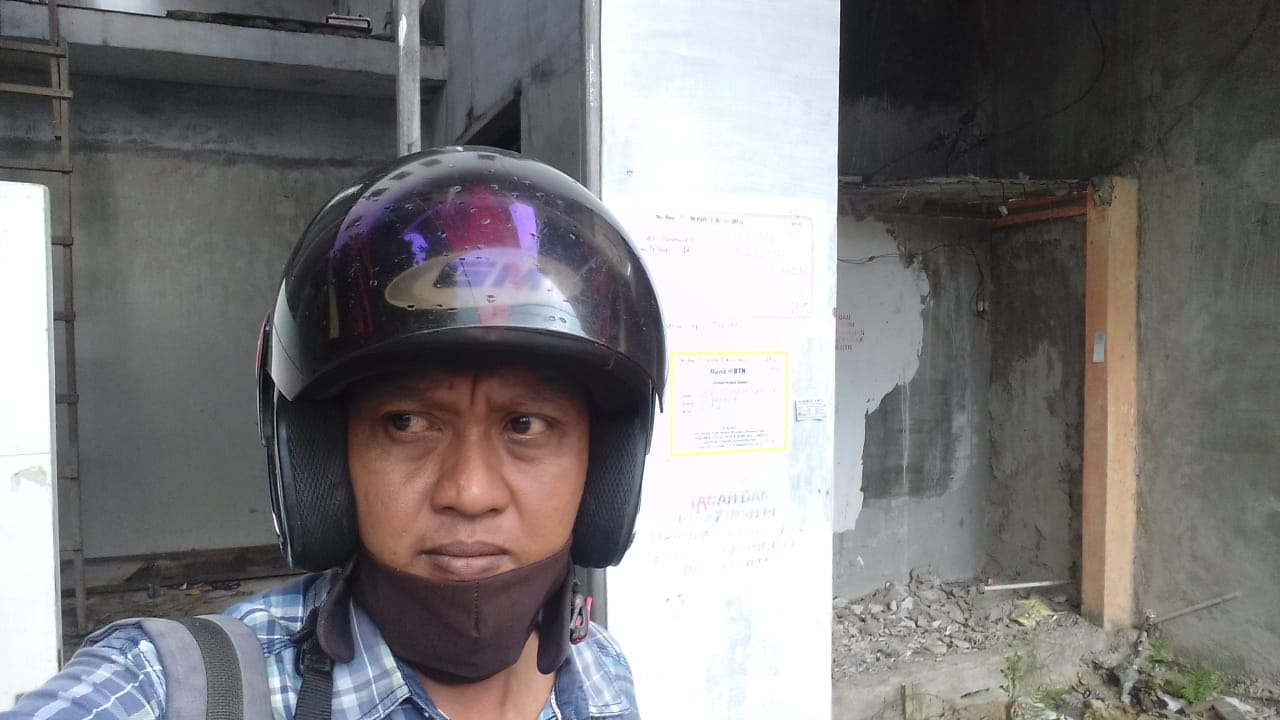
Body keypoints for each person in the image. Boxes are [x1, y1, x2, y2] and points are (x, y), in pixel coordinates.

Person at [3, 147, 666, 720]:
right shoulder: (188, 688)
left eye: (525, 425)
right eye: (407, 422)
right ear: (319, 457)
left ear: (604, 465)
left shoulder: (600, 672)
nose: (469, 493)